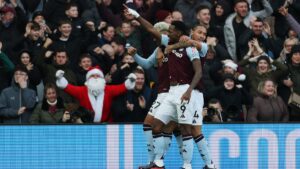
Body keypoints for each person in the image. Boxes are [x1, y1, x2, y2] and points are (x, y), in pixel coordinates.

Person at [124, 6, 214, 169]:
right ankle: (157, 162)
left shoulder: (195, 47)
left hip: (191, 92)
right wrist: (137, 15)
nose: (167, 33)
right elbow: (151, 30)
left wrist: (188, 91)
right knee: (157, 126)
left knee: (191, 131)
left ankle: (192, 165)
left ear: (180, 33)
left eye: (171, 30)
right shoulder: (165, 45)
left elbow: (199, 70)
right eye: (167, 30)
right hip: (171, 92)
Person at [55, 66, 137, 123]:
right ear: (88, 79)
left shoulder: (108, 89)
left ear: (102, 78)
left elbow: (122, 87)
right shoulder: (82, 91)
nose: (95, 78)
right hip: (88, 126)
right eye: (92, 76)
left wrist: (131, 80)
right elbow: (68, 87)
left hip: (106, 125)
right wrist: (60, 78)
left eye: (97, 76)